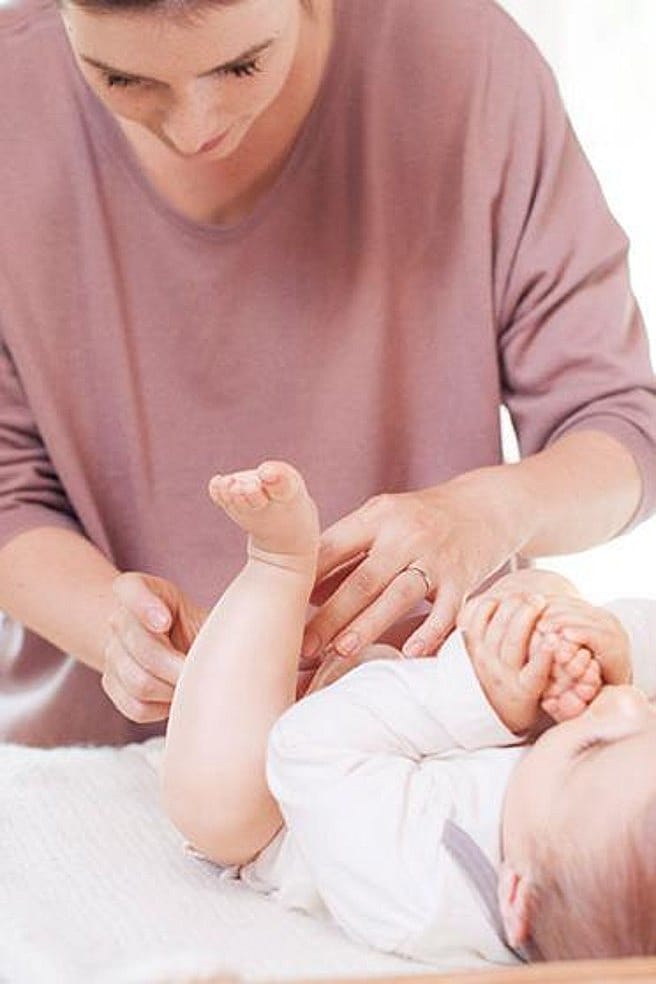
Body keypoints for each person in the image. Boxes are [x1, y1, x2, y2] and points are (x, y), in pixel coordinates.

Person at [1, 0, 655, 747]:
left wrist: (487, 510)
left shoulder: (465, 65)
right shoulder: (11, 104)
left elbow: (621, 432)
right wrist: (110, 627)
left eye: (242, 64)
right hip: (103, 767)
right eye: (121, 79)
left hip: (434, 742)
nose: (194, 128)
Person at [162, 460, 656, 967]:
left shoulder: (421, 889)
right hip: (439, 701)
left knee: (220, 807)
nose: (625, 704)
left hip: (315, 778)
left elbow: (310, 746)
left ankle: (276, 564)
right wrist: (616, 648)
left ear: (515, 895)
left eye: (591, 745)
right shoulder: (587, 809)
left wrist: (477, 698)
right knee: (539, 596)